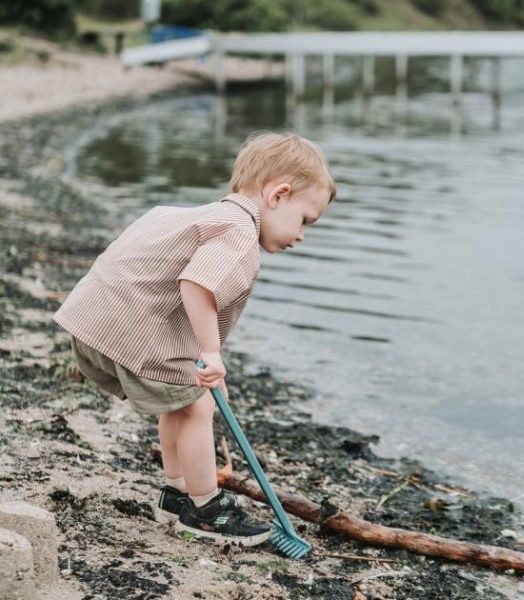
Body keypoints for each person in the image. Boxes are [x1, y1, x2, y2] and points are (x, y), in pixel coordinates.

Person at [53, 131, 336, 547]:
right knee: (196, 407)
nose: (301, 236)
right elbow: (197, 285)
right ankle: (206, 509)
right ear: (278, 195)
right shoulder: (240, 233)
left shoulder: (203, 215)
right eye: (305, 220)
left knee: (183, 401)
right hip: (130, 331)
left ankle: (177, 492)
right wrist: (210, 352)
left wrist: (196, 361)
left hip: (95, 320)